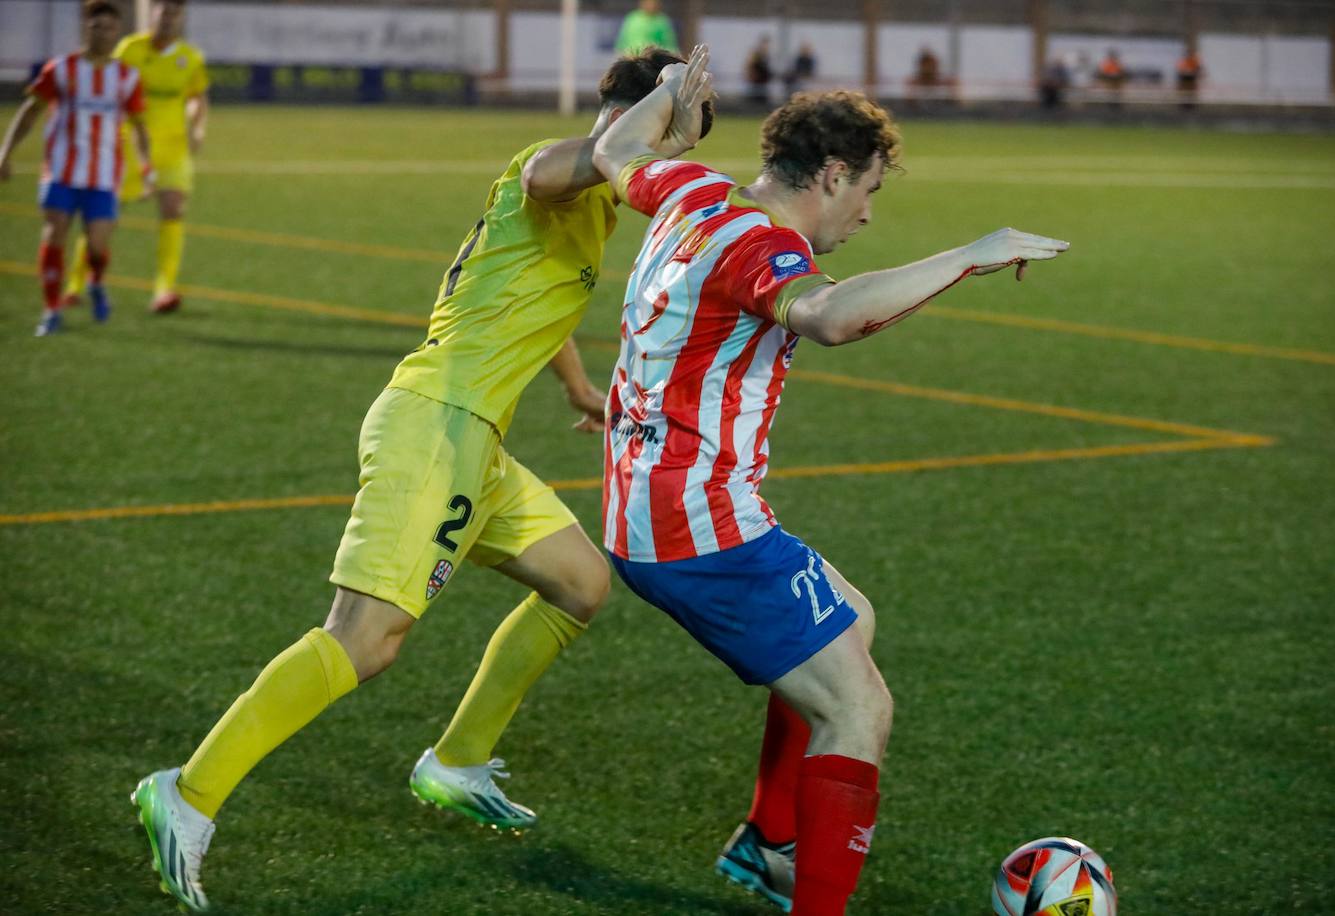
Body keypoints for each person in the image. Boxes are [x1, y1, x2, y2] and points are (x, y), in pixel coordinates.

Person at [129, 48, 713, 913]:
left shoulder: (594, 207)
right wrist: (668, 98)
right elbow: (589, 161)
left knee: (582, 583)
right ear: (649, 115)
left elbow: (525, 295)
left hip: (477, 439)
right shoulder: (555, 164)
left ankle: (458, 760)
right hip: (434, 424)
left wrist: (579, 387)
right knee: (367, 638)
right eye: (685, 138)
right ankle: (186, 792)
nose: (683, 162)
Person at [592, 46, 1068, 915]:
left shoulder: (695, 192)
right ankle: (807, 893)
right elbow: (827, 315)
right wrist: (971, 253)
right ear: (836, 174)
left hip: (647, 503)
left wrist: (664, 98)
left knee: (852, 619)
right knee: (859, 712)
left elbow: (616, 155)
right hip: (697, 524)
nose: (868, 215)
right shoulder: (760, 245)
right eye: (870, 192)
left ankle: (768, 845)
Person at [0, 0, 153, 337]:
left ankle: (96, 282)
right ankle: (51, 309)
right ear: (87, 27)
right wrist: (5, 151)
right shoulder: (62, 69)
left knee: (97, 246)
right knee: (54, 233)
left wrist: (147, 169)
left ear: (118, 32)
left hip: (103, 175)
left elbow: (140, 127)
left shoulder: (127, 77)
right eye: (97, 26)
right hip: (60, 171)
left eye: (111, 27)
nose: (104, 33)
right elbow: (30, 110)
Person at [65, 0, 209, 315]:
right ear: (151, 14)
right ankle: (76, 283)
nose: (168, 18)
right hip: (128, 146)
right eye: (163, 11)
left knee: (174, 209)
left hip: (173, 148)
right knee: (105, 216)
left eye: (174, 12)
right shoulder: (129, 50)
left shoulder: (190, 58)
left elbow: (197, 97)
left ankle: (163, 289)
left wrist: (197, 126)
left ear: (180, 18)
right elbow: (106, 83)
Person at [745, 35, 773, 106]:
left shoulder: (766, 55)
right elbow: (750, 66)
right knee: (754, 102)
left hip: (764, 82)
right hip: (756, 81)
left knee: (763, 102)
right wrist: (751, 75)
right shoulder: (756, 54)